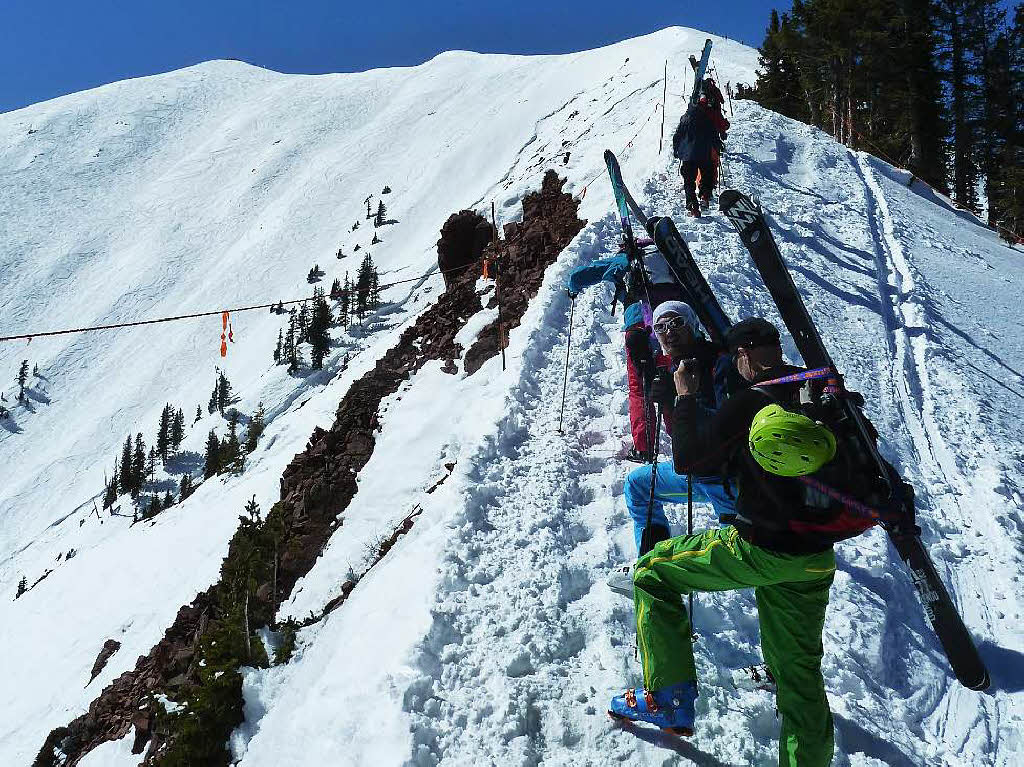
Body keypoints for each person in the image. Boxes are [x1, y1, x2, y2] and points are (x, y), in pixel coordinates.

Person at [609, 317, 848, 767]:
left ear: (741, 357)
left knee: (652, 573)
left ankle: (669, 697)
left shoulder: (752, 401)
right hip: (815, 554)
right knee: (800, 676)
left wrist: (684, 399)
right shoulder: (816, 389)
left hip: (761, 546)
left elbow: (690, 461)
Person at [619, 300, 736, 555]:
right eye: (661, 327)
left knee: (749, 549)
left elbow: (727, 424)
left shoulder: (720, 364)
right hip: (694, 469)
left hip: (727, 475)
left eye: (677, 323)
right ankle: (652, 562)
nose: (669, 331)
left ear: (693, 324)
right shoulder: (674, 367)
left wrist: (682, 400)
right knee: (638, 485)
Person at [566, 245, 687, 461]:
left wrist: (572, 287)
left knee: (640, 388)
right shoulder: (670, 258)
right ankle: (683, 441)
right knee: (672, 383)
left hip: (639, 328)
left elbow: (583, 274)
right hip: (670, 329)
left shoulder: (626, 259)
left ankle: (644, 448)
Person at [672, 81, 730, 216]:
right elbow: (713, 135)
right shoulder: (708, 117)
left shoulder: (686, 117)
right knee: (707, 176)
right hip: (705, 153)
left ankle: (692, 204)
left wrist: (677, 150)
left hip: (688, 154)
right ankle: (704, 197)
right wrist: (718, 144)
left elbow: (678, 135)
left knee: (689, 180)